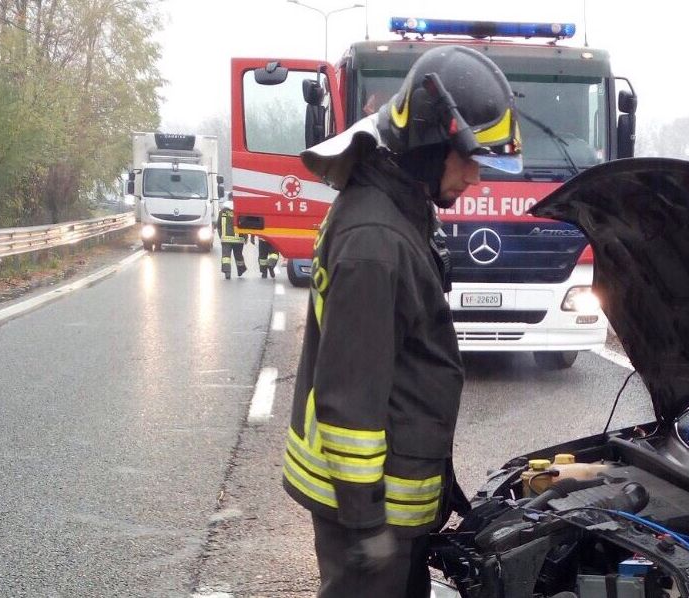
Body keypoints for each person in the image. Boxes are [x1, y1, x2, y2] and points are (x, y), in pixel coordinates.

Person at [280, 45, 522, 598]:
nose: (477, 176)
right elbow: (349, 403)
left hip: (385, 503)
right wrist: (368, 528)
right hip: (366, 512)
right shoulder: (377, 241)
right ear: (430, 144)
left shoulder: (393, 208)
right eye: (470, 157)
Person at [217, 199, 247, 278]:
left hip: (226, 239)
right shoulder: (240, 211)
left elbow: (218, 225)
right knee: (238, 256)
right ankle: (241, 270)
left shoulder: (222, 212)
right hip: (238, 240)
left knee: (226, 256)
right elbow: (244, 225)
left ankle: (227, 272)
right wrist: (245, 237)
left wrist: (221, 236)